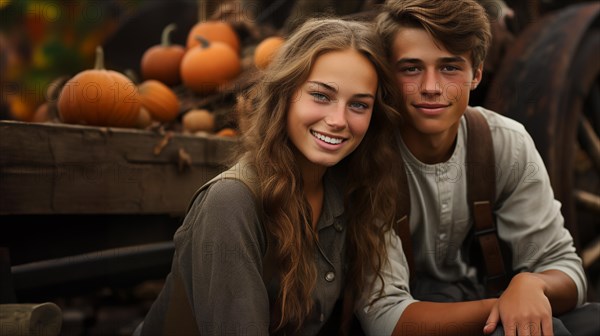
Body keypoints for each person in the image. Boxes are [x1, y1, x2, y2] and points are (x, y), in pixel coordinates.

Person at [136, 18, 404, 335]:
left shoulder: (349, 190)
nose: (338, 120)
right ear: (285, 95)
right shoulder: (231, 202)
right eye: (321, 95)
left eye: (359, 104)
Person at [356, 0, 599, 335]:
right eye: (411, 68)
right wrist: (503, 308)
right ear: (388, 76)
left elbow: (566, 269)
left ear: (477, 74)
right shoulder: (369, 158)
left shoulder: (505, 142)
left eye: (450, 67)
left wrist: (532, 285)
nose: (431, 87)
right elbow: (384, 318)